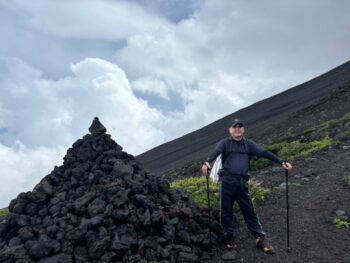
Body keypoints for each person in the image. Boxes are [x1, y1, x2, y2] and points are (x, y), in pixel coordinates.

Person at [201, 118, 292, 254]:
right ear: (230, 130)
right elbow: (216, 151)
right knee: (225, 210)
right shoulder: (225, 143)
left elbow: (264, 153)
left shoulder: (249, 144)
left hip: (242, 183)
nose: (237, 130)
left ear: (243, 129)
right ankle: (228, 236)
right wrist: (207, 162)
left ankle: (260, 238)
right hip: (227, 182)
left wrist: (281, 161)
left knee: (249, 210)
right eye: (234, 127)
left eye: (240, 127)